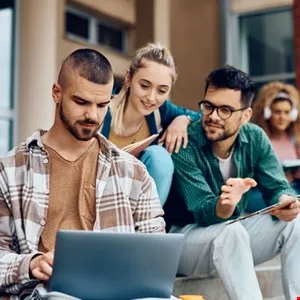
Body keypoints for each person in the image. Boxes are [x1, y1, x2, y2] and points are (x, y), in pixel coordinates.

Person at [0, 48, 165, 299]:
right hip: (49, 293)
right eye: (81, 102)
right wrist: (31, 265)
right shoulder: (10, 170)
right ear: (57, 93)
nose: (93, 115)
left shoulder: (134, 173)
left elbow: (156, 256)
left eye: (102, 105)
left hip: (122, 292)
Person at [164, 65, 300, 300]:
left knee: (296, 223)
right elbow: (204, 209)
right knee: (231, 231)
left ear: (245, 116)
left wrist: (284, 201)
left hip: (231, 238)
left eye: (226, 110)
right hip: (184, 242)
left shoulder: (255, 137)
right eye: (209, 106)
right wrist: (226, 204)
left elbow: (277, 185)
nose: (214, 116)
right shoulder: (184, 142)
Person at [101, 43, 200, 206]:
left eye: (161, 91)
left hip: (140, 202)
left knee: (160, 157)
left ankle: (149, 227)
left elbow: (203, 115)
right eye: (144, 86)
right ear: (128, 78)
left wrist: (183, 120)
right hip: (102, 196)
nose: (151, 98)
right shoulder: (101, 109)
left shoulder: (162, 111)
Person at [252, 81, 300, 197]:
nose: (282, 117)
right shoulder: (259, 140)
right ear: (267, 113)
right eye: (277, 112)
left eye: (287, 112)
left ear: (293, 114)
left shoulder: (296, 140)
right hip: (266, 191)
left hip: (294, 186)